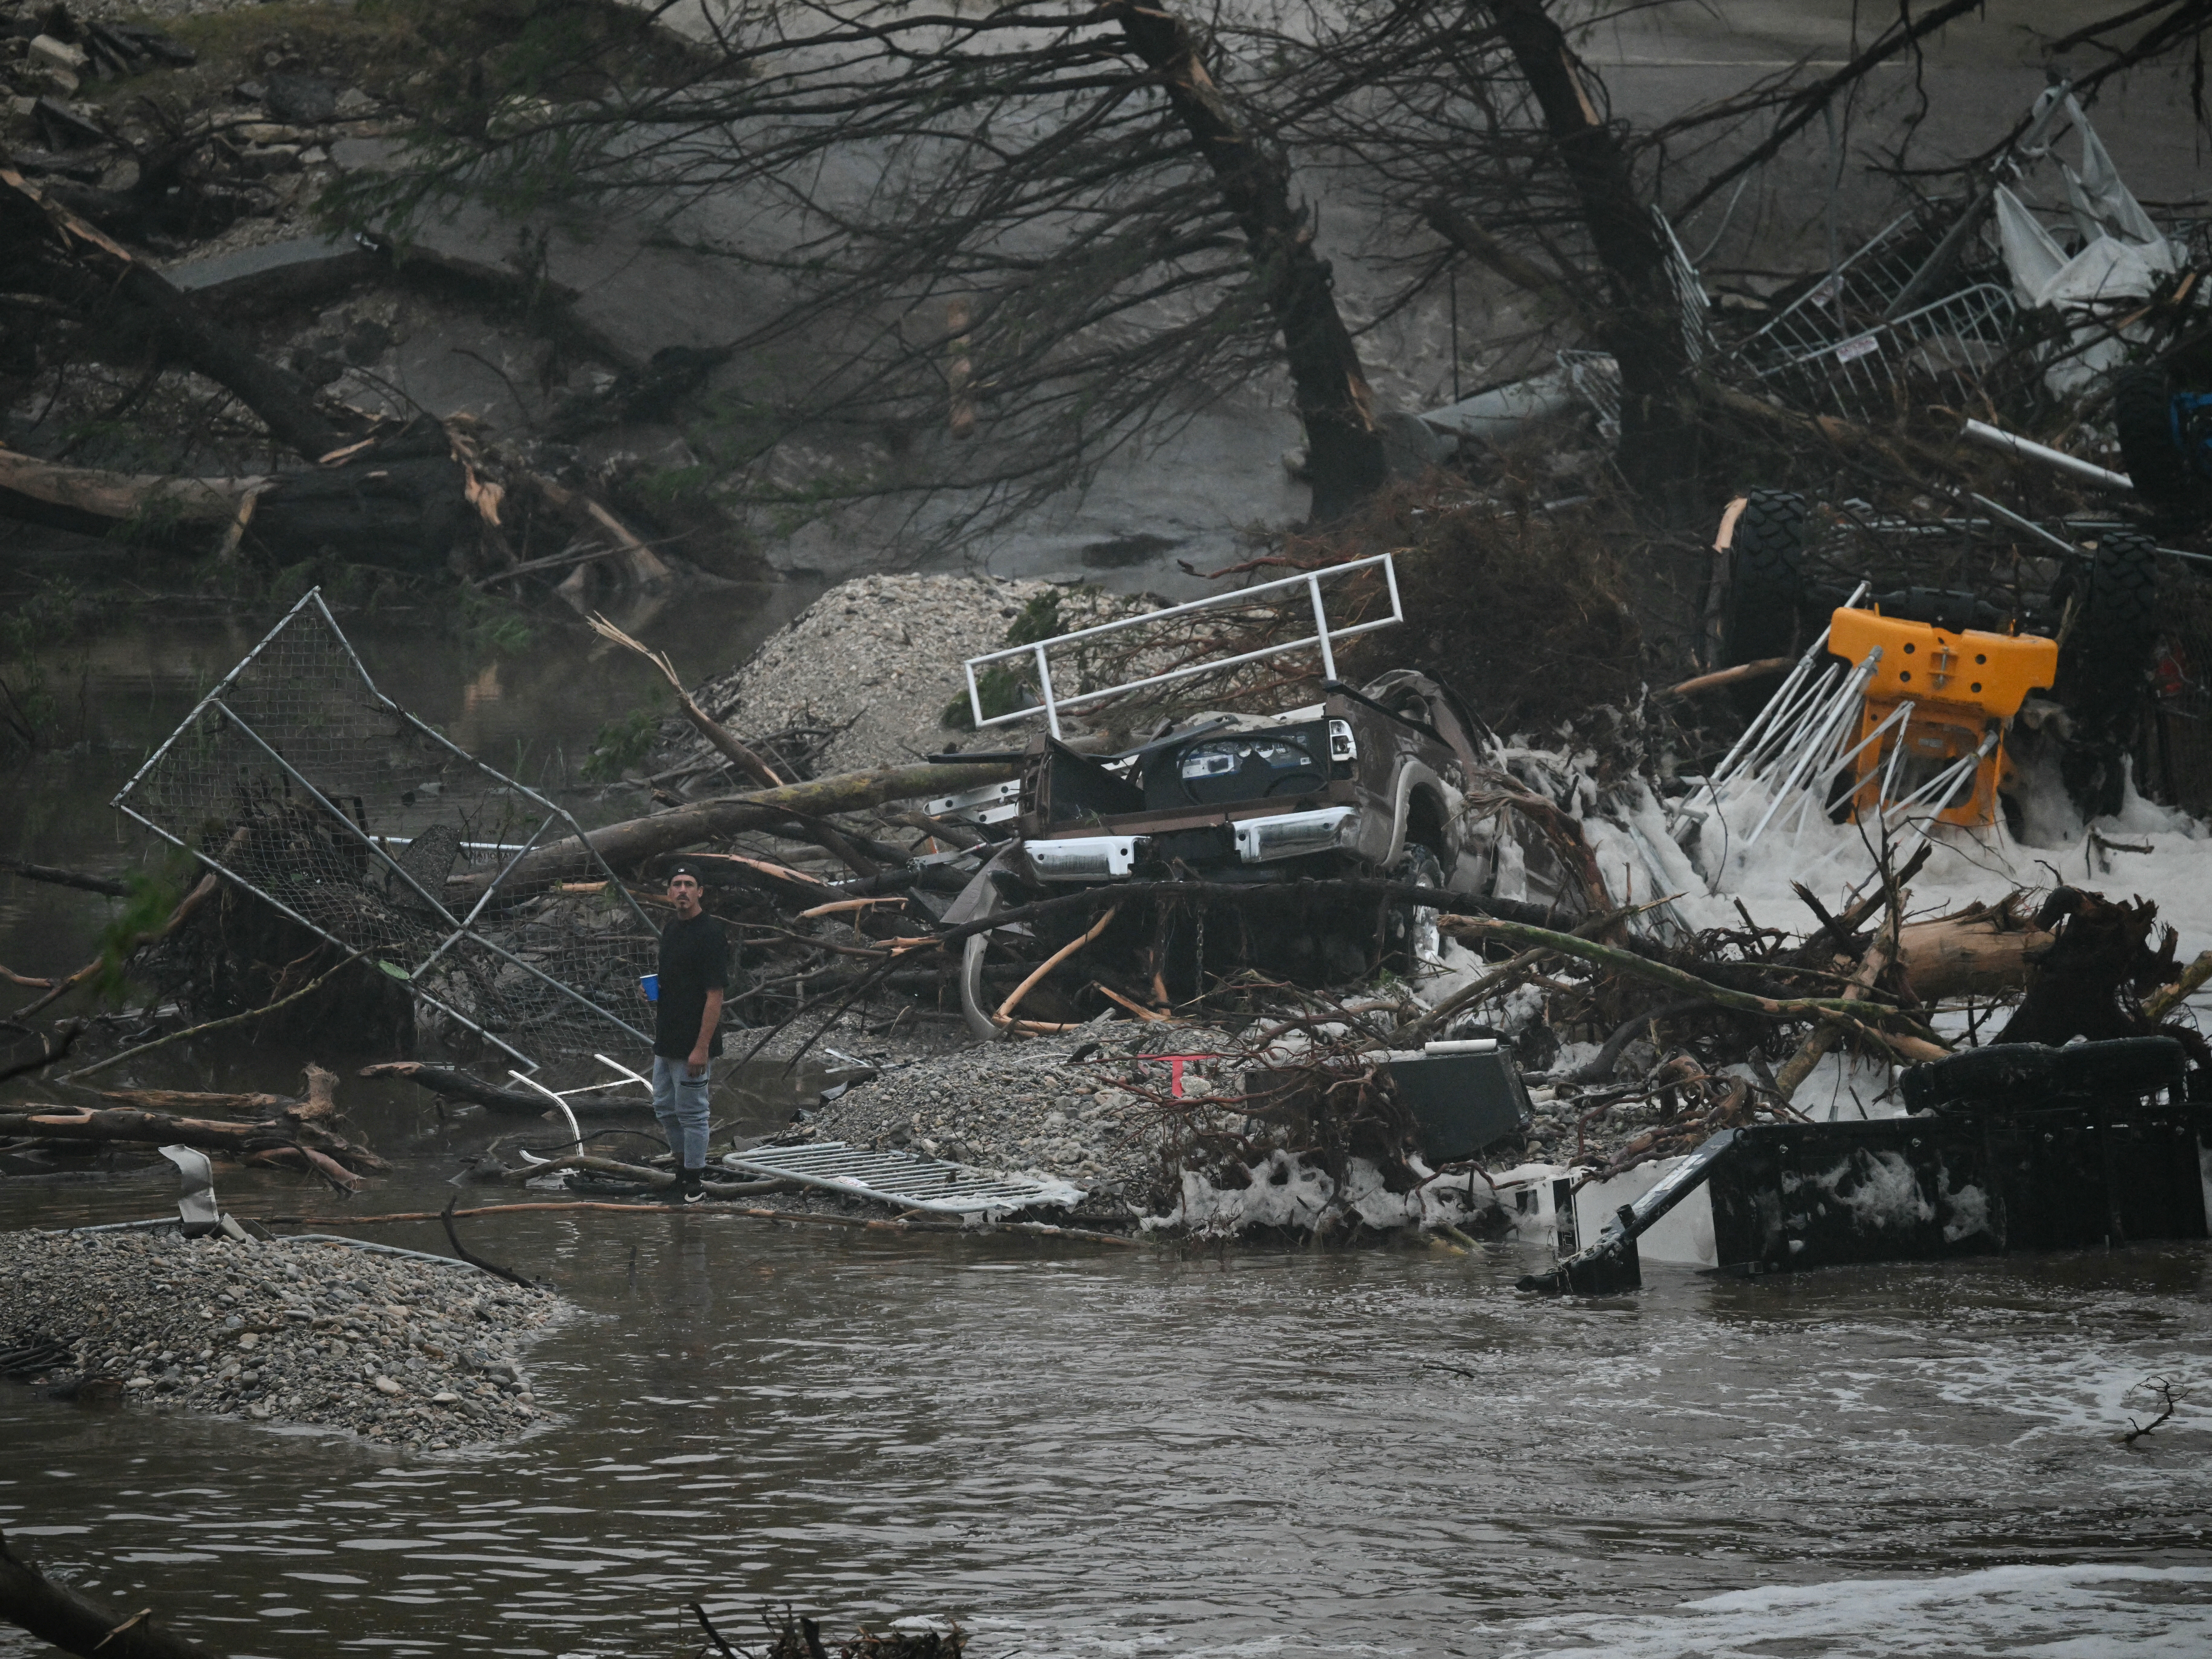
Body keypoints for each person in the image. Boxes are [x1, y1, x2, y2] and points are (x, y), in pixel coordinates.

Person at [650, 862, 728, 1202]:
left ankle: (694, 1181)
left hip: (694, 1041)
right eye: (676, 883)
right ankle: (681, 1170)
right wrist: (652, 993)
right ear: (669, 892)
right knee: (665, 1107)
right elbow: (674, 981)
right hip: (666, 1037)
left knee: (693, 1111)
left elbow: (715, 995)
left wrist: (702, 1047)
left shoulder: (710, 933)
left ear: (700, 892)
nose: (682, 889)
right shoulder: (671, 929)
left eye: (689, 884)